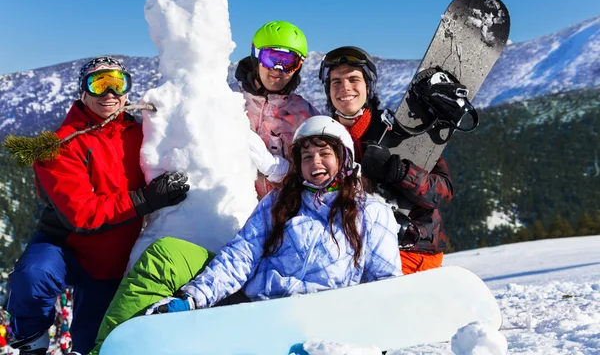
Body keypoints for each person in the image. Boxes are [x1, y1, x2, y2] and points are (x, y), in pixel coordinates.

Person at [88, 115, 401, 354]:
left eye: (324, 153)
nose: (315, 162)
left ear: (343, 158)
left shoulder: (371, 213)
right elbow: (242, 254)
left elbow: (383, 286)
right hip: (255, 306)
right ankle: (106, 350)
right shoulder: (280, 202)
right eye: (306, 157)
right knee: (167, 255)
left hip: (315, 319)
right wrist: (193, 297)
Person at [4, 56, 190, 354]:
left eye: (117, 84)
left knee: (96, 342)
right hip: (66, 245)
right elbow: (82, 214)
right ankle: (32, 343)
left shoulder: (142, 134)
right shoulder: (60, 145)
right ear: (83, 92)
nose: (109, 94)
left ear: (128, 91)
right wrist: (146, 199)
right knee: (33, 275)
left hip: (113, 257)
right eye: (98, 84)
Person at [318, 46, 454, 275]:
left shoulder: (399, 130)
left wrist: (399, 171)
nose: (345, 88)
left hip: (412, 248)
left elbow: (442, 192)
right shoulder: (322, 140)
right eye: (336, 82)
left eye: (354, 79)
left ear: (368, 86)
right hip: (350, 250)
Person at [236, 20, 319, 199]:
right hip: (232, 212)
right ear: (256, 56)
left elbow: (320, 172)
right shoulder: (232, 103)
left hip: (285, 214)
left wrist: (276, 168)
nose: (278, 69)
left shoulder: (304, 115)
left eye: (289, 62)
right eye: (271, 58)